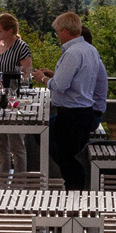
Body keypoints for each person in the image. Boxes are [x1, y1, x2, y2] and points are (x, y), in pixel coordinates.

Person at [46, 11, 108, 189]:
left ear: (65, 31)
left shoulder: (73, 53)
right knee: (54, 139)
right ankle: (76, 186)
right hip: (85, 111)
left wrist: (43, 80)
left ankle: (76, 193)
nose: (57, 35)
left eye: (57, 31)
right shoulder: (90, 50)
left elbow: (60, 86)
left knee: (67, 156)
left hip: (73, 113)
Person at [0, 13, 33, 180]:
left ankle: (20, 182)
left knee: (16, 144)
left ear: (10, 30)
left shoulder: (22, 47)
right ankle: (2, 180)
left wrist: (10, 80)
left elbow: (27, 75)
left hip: (14, 100)